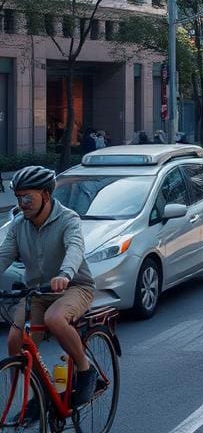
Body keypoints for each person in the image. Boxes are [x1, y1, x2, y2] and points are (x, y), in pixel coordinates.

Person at [0, 167, 98, 407]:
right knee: (15, 340)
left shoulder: (68, 219)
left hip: (74, 287)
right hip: (37, 292)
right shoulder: (18, 225)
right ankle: (36, 396)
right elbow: (4, 255)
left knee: (55, 319)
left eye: (27, 197)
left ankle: (86, 371)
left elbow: (75, 247)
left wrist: (65, 274)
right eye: (19, 197)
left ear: (45, 195)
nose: (22, 203)